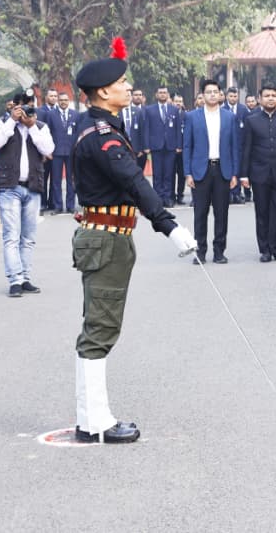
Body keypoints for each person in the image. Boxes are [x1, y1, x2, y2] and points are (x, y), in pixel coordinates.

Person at [68, 39, 197, 444]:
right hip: (106, 240)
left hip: (109, 236)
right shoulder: (103, 134)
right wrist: (170, 225)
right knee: (100, 330)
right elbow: (132, 181)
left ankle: (92, 418)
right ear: (104, 92)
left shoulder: (103, 127)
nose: (128, 87)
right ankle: (95, 423)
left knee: (99, 327)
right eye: (122, 82)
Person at [0, 92, 55, 297]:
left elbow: (48, 149)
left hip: (33, 186)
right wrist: (12, 121)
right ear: (13, 107)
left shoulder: (41, 127)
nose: (26, 111)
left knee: (28, 238)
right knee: (11, 236)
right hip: (9, 187)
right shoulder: (2, 123)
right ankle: (15, 280)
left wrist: (32, 127)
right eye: (21, 107)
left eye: (30, 107)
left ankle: (25, 277)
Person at [182, 80, 240, 264]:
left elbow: (234, 147)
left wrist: (234, 174)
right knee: (200, 213)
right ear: (203, 95)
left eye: (216, 91)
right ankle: (200, 251)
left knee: (221, 214)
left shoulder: (229, 117)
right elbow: (187, 146)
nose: (213, 95)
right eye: (209, 92)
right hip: (200, 171)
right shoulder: (192, 117)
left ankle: (219, 251)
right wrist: (188, 173)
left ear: (220, 94)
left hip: (222, 170)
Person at [240, 84, 276, 263]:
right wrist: (244, 175)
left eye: (274, 95)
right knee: (262, 212)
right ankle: (264, 249)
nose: (271, 98)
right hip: (259, 174)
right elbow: (246, 148)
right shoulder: (251, 120)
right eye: (267, 95)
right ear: (260, 99)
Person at [42, 92, 79, 215]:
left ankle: (70, 206)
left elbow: (78, 134)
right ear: (58, 101)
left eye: (65, 100)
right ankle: (57, 206)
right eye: (61, 100)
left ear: (69, 101)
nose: (63, 102)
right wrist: (47, 150)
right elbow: (47, 134)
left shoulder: (76, 115)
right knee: (56, 180)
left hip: (71, 153)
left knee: (71, 180)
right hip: (56, 152)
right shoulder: (51, 115)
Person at [144, 86, 181, 208]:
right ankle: (158, 199)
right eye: (160, 93)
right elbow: (147, 129)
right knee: (157, 174)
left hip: (170, 146)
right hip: (156, 146)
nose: (162, 95)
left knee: (169, 174)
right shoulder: (149, 110)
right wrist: (147, 145)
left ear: (168, 95)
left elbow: (177, 128)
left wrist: (178, 145)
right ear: (156, 95)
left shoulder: (174, 109)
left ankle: (167, 198)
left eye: (165, 93)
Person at [39, 87, 59, 212]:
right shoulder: (40, 111)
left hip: (57, 151)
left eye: (55, 96)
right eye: (51, 96)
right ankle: (42, 203)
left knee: (55, 179)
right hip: (45, 151)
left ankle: (53, 202)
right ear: (46, 97)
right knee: (43, 177)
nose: (53, 98)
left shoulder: (60, 111)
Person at [124, 88, 148, 171]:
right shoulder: (118, 111)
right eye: (136, 95)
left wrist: (142, 149)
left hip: (138, 150)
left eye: (140, 95)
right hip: (122, 147)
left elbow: (144, 131)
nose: (138, 97)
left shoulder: (140, 111)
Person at [170, 94, 187, 204]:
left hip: (184, 149)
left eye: (180, 101)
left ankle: (180, 194)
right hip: (172, 149)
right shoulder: (169, 114)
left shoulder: (187, 115)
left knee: (182, 174)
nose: (178, 103)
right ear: (172, 102)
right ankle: (171, 195)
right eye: (176, 101)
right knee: (171, 173)